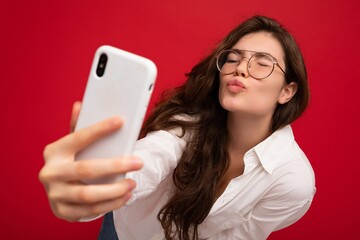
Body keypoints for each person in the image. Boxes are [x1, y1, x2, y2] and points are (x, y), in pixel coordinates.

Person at [39, 15, 316, 240]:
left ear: (287, 91)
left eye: (262, 63)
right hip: (125, 231)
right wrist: (93, 188)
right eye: (233, 58)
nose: (240, 68)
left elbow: (240, 237)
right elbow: (151, 156)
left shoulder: (292, 181)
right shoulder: (186, 128)